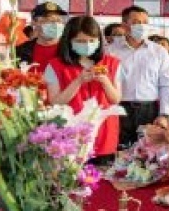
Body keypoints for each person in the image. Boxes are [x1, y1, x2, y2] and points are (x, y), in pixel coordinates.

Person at [44, 16, 122, 160]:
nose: (87, 45)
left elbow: (116, 99)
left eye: (92, 41)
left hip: (104, 134)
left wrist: (105, 82)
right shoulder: (55, 66)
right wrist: (78, 81)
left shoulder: (112, 63)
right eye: (80, 41)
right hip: (71, 135)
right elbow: (55, 102)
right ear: (69, 41)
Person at [107, 5, 169, 147]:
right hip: (119, 110)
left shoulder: (159, 52)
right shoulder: (110, 52)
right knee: (119, 152)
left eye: (145, 22)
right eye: (136, 22)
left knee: (147, 155)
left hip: (149, 111)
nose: (142, 26)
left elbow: (166, 85)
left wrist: (164, 114)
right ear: (125, 25)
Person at [17, 1, 68, 69]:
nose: (55, 24)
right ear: (34, 22)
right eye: (49, 20)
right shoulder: (21, 51)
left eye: (58, 20)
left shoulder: (70, 50)